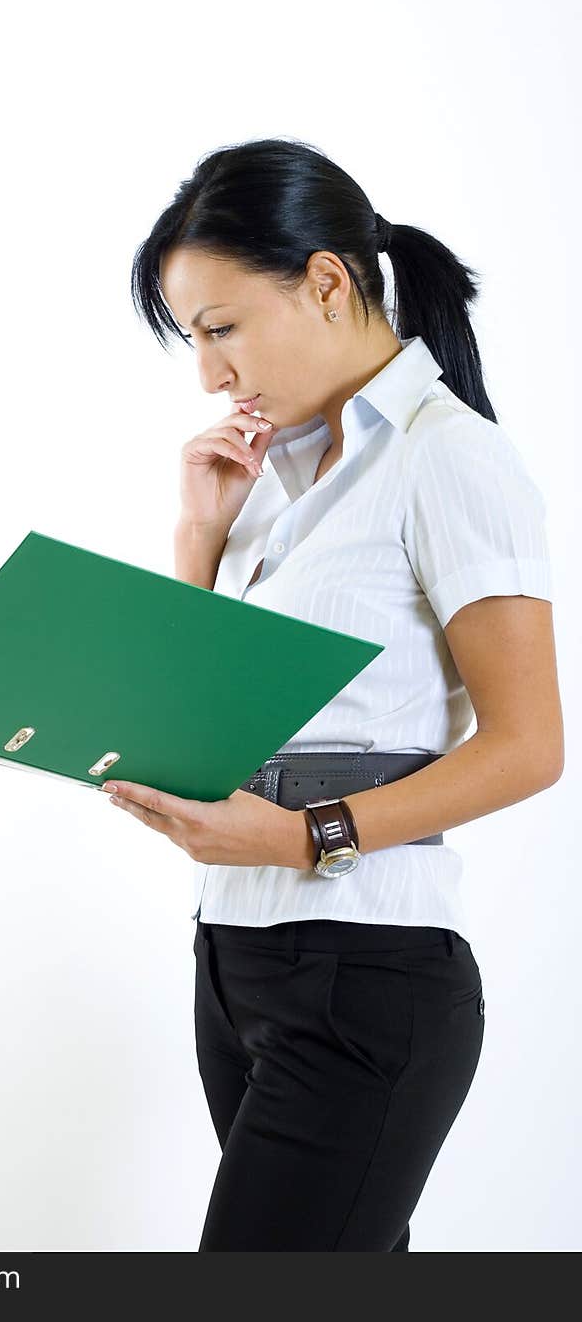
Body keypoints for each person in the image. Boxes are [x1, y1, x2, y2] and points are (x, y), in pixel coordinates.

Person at [101, 137, 565, 1251]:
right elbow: (204, 717)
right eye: (192, 340)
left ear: (323, 280)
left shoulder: (447, 458)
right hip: (235, 960)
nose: (210, 373)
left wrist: (306, 835)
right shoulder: (270, 473)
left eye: (219, 329)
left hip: (362, 972)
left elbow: (528, 745)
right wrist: (199, 536)